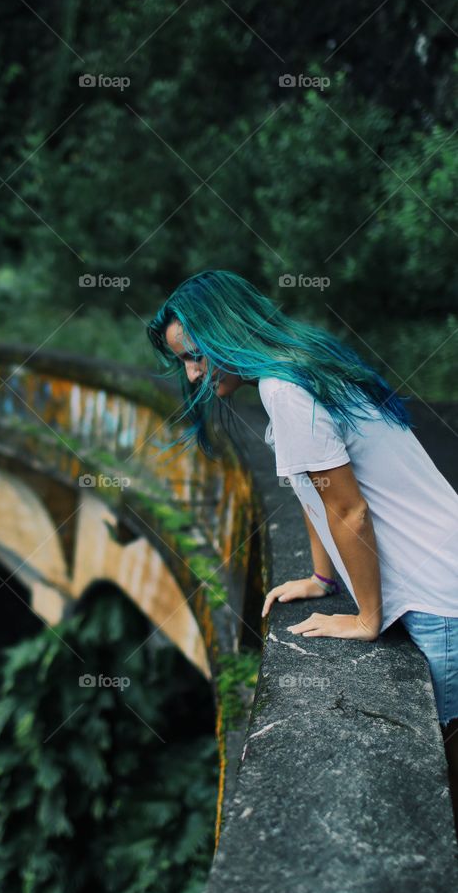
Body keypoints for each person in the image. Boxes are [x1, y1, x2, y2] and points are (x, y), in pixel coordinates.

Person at [147, 268, 458, 837]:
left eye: (195, 355)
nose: (192, 373)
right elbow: (316, 494)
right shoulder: (299, 367)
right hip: (446, 572)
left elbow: (348, 510)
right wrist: (322, 577)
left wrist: (366, 619)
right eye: (183, 362)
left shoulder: (285, 391)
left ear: (226, 332)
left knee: (442, 791)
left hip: (440, 599)